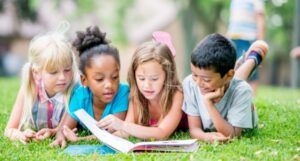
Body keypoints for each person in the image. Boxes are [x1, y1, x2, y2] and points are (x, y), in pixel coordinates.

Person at [97, 32, 187, 140]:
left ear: (167, 75)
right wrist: (99, 136)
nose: (147, 85)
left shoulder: (176, 94)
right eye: (141, 78)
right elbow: (126, 132)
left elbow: (162, 133)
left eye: (154, 79)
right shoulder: (137, 95)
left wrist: (122, 125)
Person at [50, 26, 129, 148]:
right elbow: (64, 128)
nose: (109, 85)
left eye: (114, 77)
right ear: (84, 80)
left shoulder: (122, 93)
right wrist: (61, 137)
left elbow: (112, 132)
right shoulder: (80, 95)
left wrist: (80, 139)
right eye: (99, 79)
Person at [182, 33, 268, 143]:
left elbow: (233, 135)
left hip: (233, 83)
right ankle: (246, 62)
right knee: (235, 79)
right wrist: (206, 137)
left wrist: (209, 103)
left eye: (206, 79)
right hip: (228, 77)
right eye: (194, 75)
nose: (198, 83)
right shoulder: (190, 83)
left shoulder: (242, 91)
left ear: (228, 75)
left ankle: (253, 59)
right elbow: (194, 129)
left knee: (236, 83)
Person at [4, 32, 78, 144]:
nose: (63, 77)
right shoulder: (30, 89)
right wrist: (20, 135)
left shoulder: (75, 90)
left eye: (67, 70)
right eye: (53, 72)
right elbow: (10, 130)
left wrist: (54, 131)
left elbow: (68, 128)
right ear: (36, 73)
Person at [227, 0, 265, 94]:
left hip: (248, 37)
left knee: (250, 66)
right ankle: (236, 95)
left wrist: (260, 40)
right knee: (234, 67)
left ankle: (251, 97)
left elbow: (260, 18)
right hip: (234, 37)